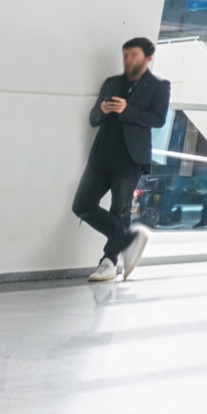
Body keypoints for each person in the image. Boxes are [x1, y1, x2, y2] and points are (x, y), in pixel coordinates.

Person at [74, 38, 168, 282]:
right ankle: (129, 239)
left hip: (130, 158)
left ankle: (108, 262)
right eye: (125, 55)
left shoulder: (159, 86)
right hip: (101, 156)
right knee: (82, 205)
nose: (128, 60)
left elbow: (158, 119)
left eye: (134, 55)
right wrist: (103, 111)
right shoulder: (112, 83)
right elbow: (93, 118)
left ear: (148, 58)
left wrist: (126, 110)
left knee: (120, 211)